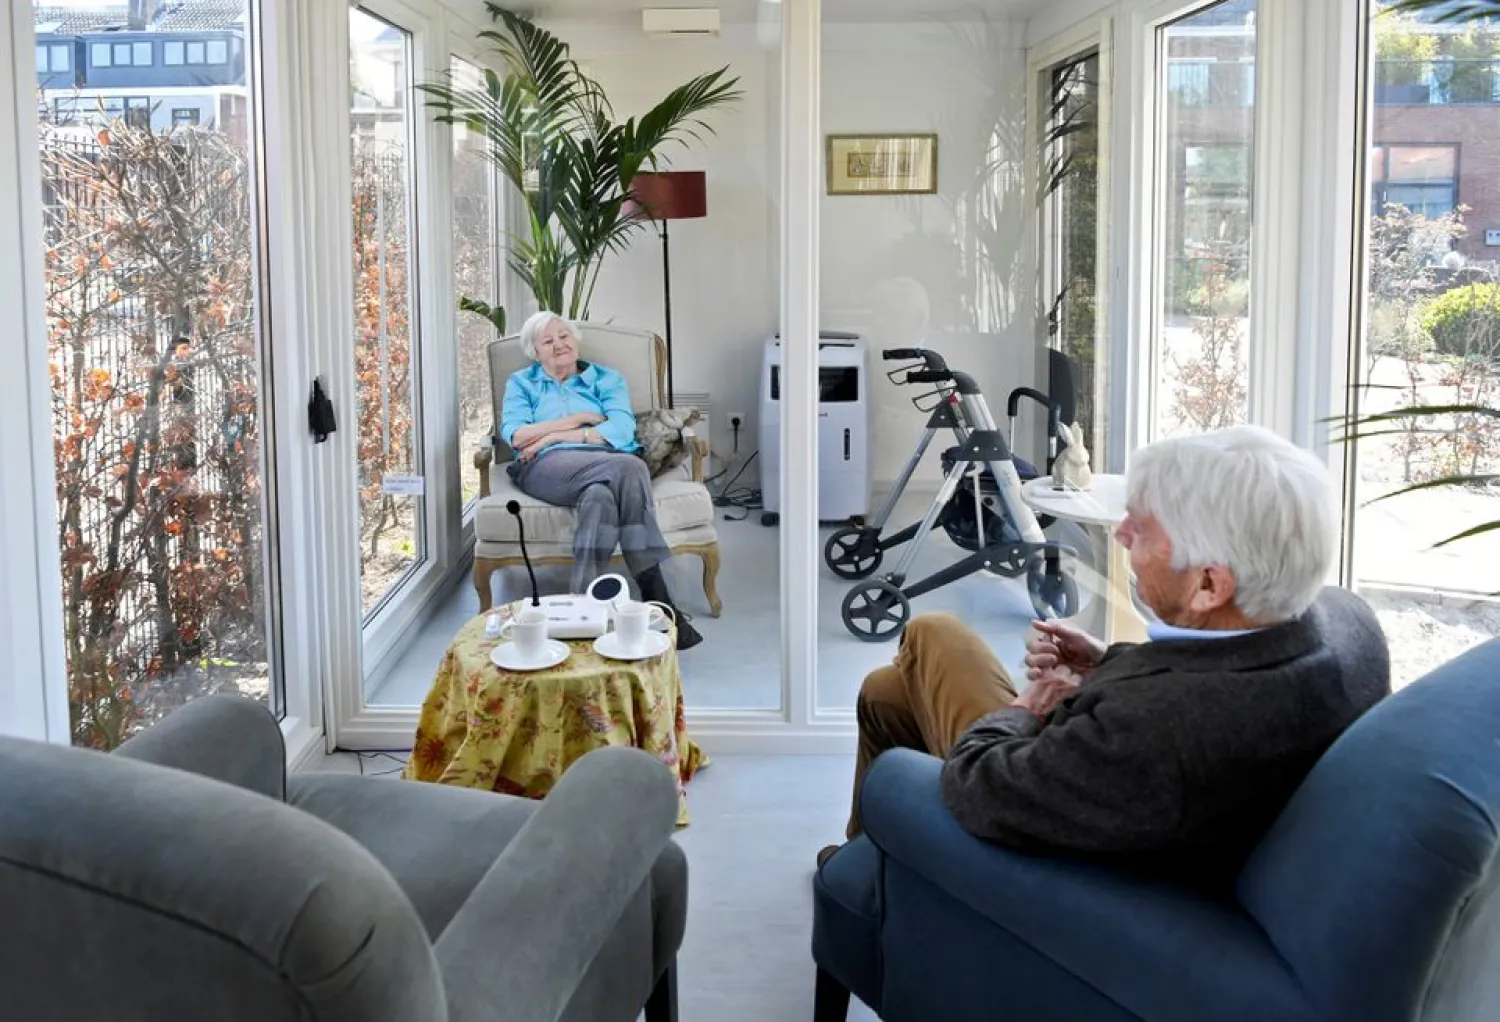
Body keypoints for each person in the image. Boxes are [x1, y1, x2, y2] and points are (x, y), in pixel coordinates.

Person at [821, 424, 1391, 887]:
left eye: (1140, 530)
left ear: (1209, 585)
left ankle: (869, 874)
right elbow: (1213, 676)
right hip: (1123, 797)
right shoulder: (1348, 625)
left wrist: (1025, 708)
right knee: (888, 693)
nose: (1120, 535)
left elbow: (978, 784)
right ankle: (865, 873)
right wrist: (1110, 662)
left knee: (932, 633)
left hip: (1043, 842)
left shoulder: (1152, 729)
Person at [500, 311, 702, 650]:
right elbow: (518, 436)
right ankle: (657, 596)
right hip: (545, 467)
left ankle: (582, 608)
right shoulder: (522, 383)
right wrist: (575, 421)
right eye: (548, 341)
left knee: (600, 498)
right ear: (536, 351)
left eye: (563, 336)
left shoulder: (606, 379)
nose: (559, 345)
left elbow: (621, 430)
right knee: (631, 468)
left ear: (574, 339)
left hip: (603, 462)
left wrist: (549, 435)